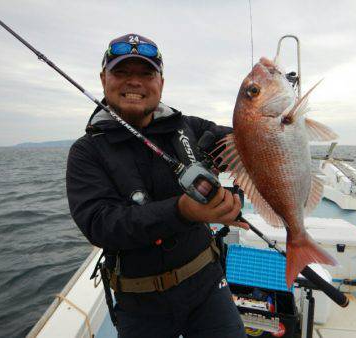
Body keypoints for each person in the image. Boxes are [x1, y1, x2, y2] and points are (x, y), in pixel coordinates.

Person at [66, 33, 249, 338]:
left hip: (207, 285)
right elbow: (101, 225)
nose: (134, 82)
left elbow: (248, 147)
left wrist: (272, 122)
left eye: (146, 73)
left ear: (160, 83)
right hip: (139, 305)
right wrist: (183, 211)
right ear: (103, 79)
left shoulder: (190, 127)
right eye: (122, 72)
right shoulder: (86, 152)